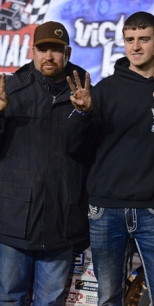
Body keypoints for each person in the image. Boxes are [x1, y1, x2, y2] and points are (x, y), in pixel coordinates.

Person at [65, 11, 154, 305]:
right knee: (108, 297)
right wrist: (82, 115)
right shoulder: (104, 90)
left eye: (143, 39)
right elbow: (75, 148)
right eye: (130, 40)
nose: (136, 46)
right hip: (105, 209)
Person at [0, 21, 91, 305]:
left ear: (68, 52)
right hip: (14, 220)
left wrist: (84, 114)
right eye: (43, 49)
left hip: (61, 220)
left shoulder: (84, 94)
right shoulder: (10, 90)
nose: (49, 56)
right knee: (9, 298)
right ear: (33, 50)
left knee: (50, 301)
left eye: (56, 49)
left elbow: (84, 152)